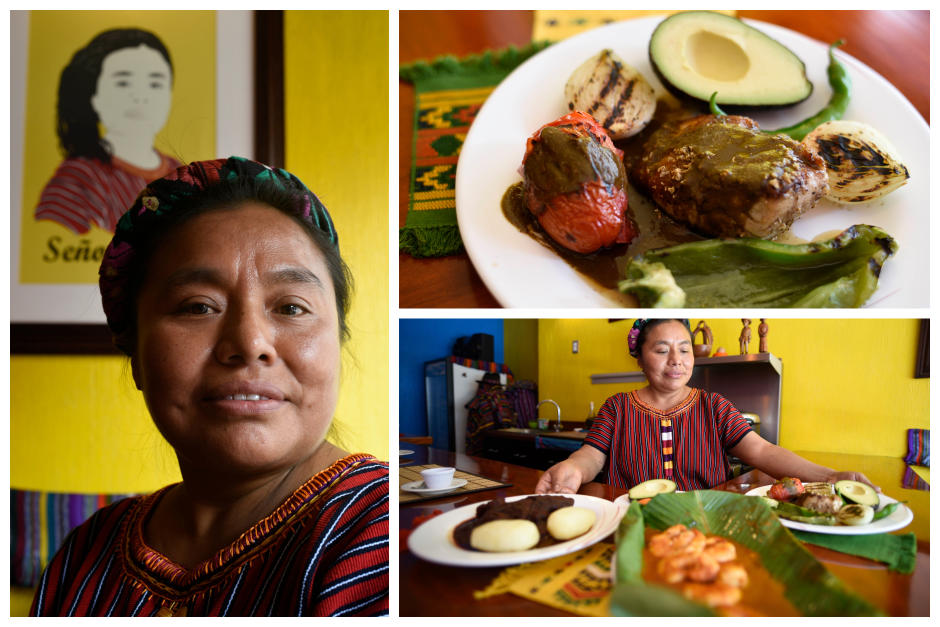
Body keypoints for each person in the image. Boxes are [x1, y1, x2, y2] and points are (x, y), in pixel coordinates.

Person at [31, 157, 389, 616]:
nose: (250, 343)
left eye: (292, 307)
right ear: (135, 352)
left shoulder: (377, 533)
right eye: (198, 307)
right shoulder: (87, 551)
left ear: (337, 342)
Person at [535, 318, 876, 494]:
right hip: (631, 521)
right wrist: (573, 469)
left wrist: (830, 477)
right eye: (661, 350)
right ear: (639, 359)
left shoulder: (714, 406)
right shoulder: (617, 407)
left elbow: (764, 452)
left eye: (684, 350)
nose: (676, 361)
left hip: (704, 522)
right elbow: (592, 456)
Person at [35, 28, 182, 234]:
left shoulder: (181, 175)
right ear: (94, 96)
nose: (140, 96)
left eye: (155, 83)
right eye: (123, 82)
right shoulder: (78, 180)